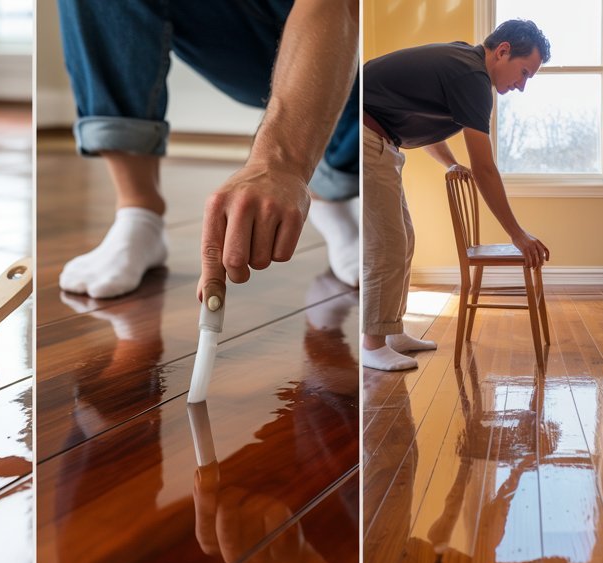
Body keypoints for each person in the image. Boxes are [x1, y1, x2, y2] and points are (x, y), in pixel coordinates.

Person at [55, 0, 361, 305]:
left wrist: (280, 164)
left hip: (354, 39)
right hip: (241, 33)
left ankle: (332, 194)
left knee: (381, 50)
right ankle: (137, 211)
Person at [361, 19, 552, 371]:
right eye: (524, 73)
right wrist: (517, 234)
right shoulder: (472, 77)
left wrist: (449, 163)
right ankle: (371, 344)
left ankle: (389, 331)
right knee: (387, 244)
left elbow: (424, 116)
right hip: (360, 133)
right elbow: (485, 168)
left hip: (378, 140)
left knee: (403, 240)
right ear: (503, 51)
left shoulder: (465, 66)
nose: (523, 86)